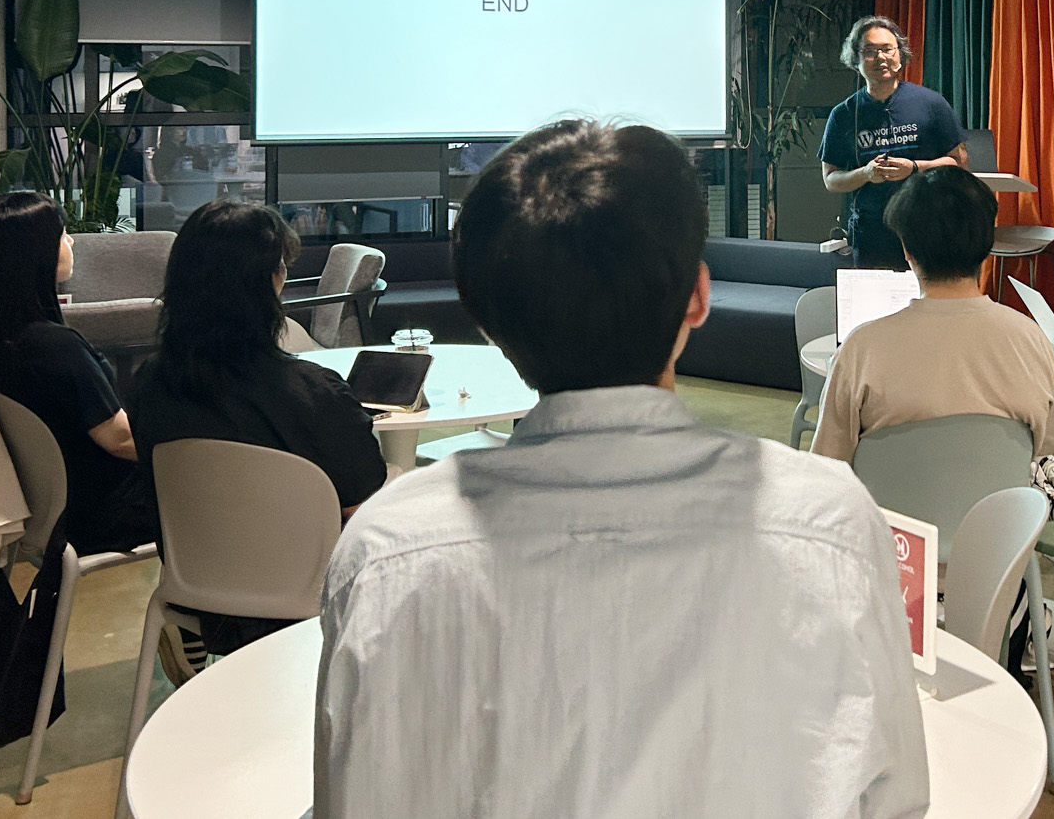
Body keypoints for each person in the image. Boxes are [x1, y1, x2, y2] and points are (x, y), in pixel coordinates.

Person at [319, 121, 928, 819]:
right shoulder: (829, 522)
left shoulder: (386, 551)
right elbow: (894, 796)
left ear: (486, 322)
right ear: (697, 297)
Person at [128, 201, 387, 660]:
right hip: (310, 591)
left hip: (197, 579)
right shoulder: (312, 393)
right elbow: (361, 499)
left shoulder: (148, 382)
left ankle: (203, 634)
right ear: (268, 285)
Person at [0, 192, 155, 554]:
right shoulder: (55, 349)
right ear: (34, 254)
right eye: (62, 235)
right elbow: (120, 440)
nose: (71, 242)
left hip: (53, 508)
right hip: (105, 511)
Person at [812, 165, 1054, 465]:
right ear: (988, 245)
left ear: (907, 250)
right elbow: (1043, 450)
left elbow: (827, 465)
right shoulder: (1033, 342)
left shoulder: (860, 349)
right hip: (1005, 498)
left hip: (888, 497)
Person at [820, 16, 968, 270]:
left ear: (900, 54)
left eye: (888, 49)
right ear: (855, 58)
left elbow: (959, 163)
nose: (881, 57)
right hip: (871, 234)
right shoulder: (843, 114)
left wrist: (914, 167)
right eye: (870, 51)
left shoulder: (931, 103)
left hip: (930, 228)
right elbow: (830, 179)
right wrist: (866, 173)